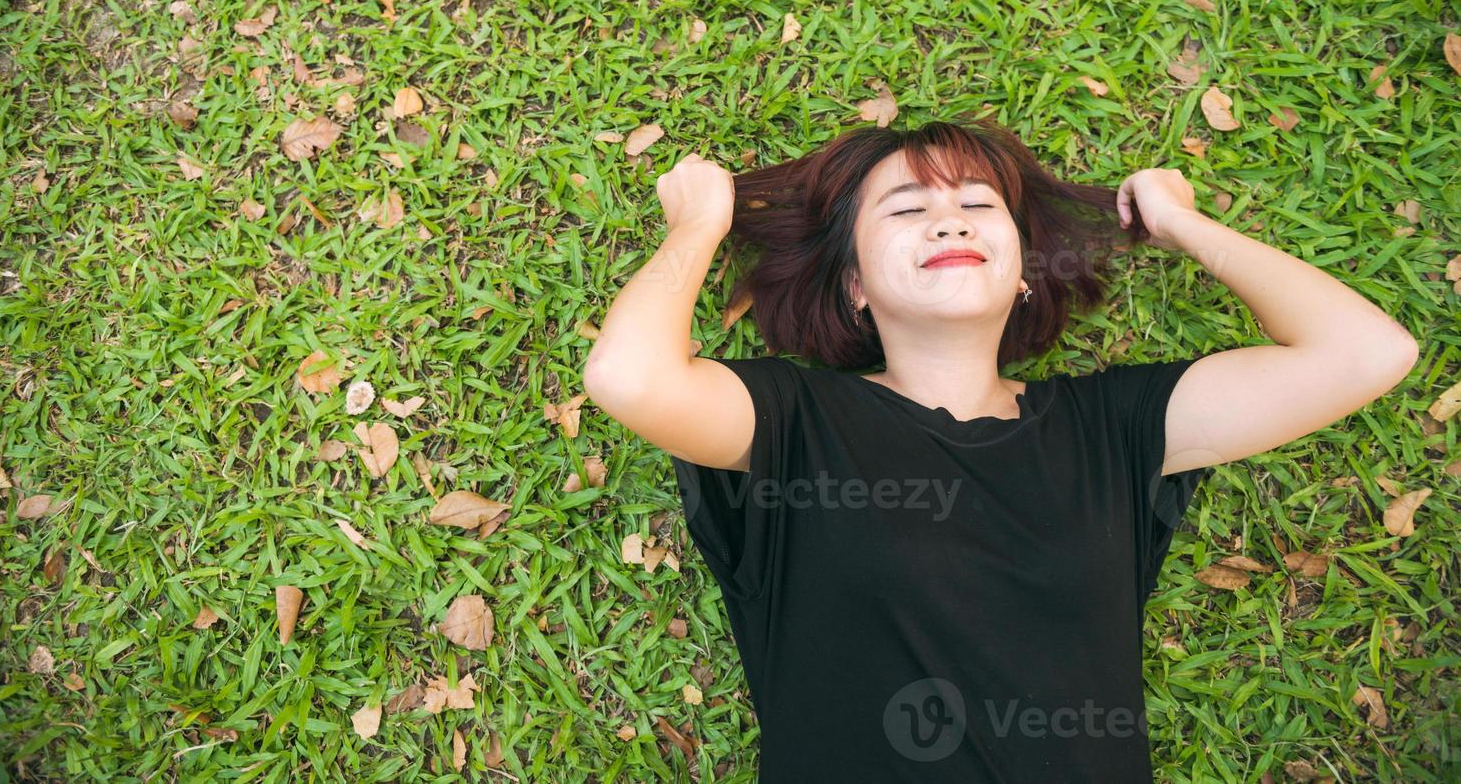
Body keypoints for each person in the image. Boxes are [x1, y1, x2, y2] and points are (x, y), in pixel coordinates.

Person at [582, 116, 1417, 781]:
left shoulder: (1112, 428)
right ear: (856, 286)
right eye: (907, 210)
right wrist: (699, 225)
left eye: (979, 206)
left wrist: (1182, 224)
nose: (949, 216)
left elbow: (1366, 354)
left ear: (1022, 270)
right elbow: (630, 376)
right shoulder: (800, 421)